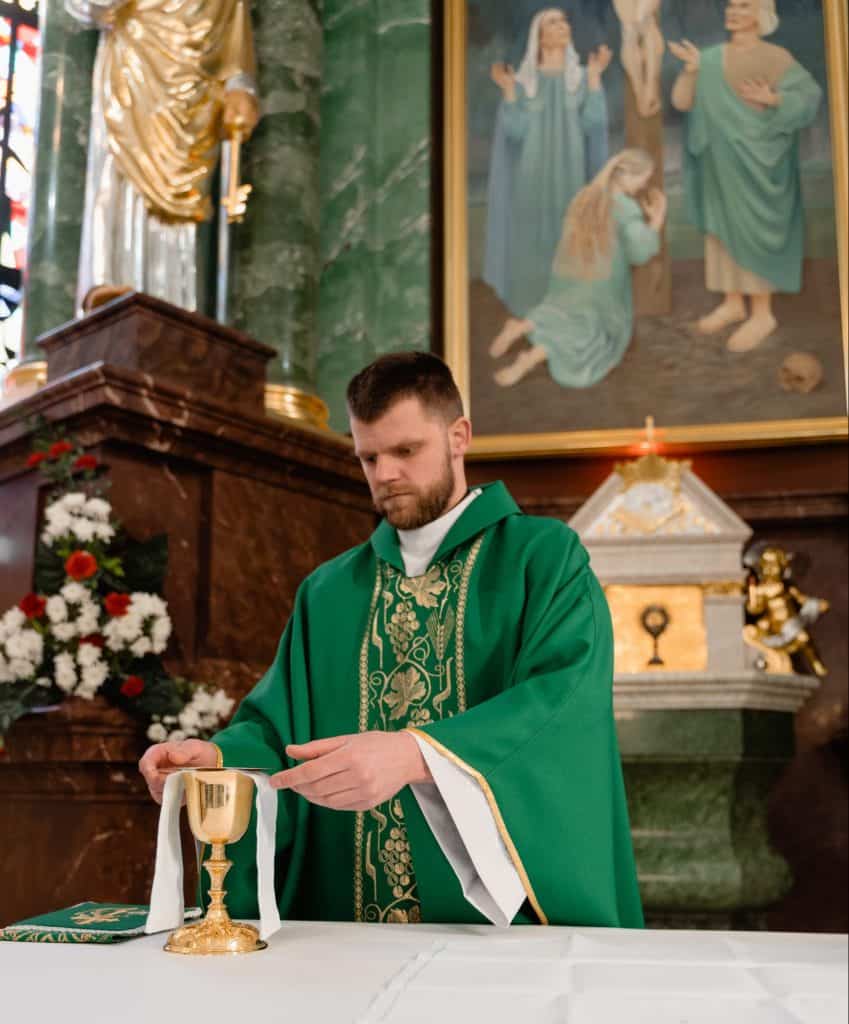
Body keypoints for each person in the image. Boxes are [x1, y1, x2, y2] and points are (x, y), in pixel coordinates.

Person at [139, 353, 643, 928]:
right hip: (346, 935)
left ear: (459, 437)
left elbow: (561, 707)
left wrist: (417, 754)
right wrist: (222, 760)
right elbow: (280, 733)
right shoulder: (327, 591)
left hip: (493, 940)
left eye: (406, 451)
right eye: (368, 457)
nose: (385, 475)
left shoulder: (543, 558)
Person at [66, 0, 260, 314]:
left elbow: (236, 31)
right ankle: (106, 282)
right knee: (118, 171)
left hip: (195, 93)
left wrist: (242, 87)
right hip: (134, 65)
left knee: (183, 203)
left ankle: (174, 306)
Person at [669, 0, 821, 353]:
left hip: (760, 164)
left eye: (743, 5)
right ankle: (734, 303)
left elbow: (809, 96)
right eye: (731, 5)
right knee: (723, 230)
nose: (733, 11)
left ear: (760, 15)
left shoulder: (775, 57)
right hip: (719, 163)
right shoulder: (708, 58)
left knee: (754, 232)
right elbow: (680, 102)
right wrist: (692, 71)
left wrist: (775, 98)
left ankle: (762, 313)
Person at [489, 149, 665, 388]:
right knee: (589, 337)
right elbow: (639, 253)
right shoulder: (626, 209)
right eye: (643, 177)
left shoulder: (585, 197)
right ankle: (526, 362)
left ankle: (522, 326)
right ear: (625, 177)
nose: (645, 184)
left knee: (562, 314)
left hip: (570, 283)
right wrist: (656, 220)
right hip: (603, 292)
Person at [484, 9, 612, 318]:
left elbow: (592, 123)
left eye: (565, 20)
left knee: (570, 238)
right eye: (552, 22)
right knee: (532, 241)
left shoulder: (580, 77)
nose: (562, 26)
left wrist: (594, 78)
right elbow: (515, 132)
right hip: (531, 179)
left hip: (572, 174)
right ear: (539, 35)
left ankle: (568, 311)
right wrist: (508, 91)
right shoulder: (524, 80)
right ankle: (533, 310)